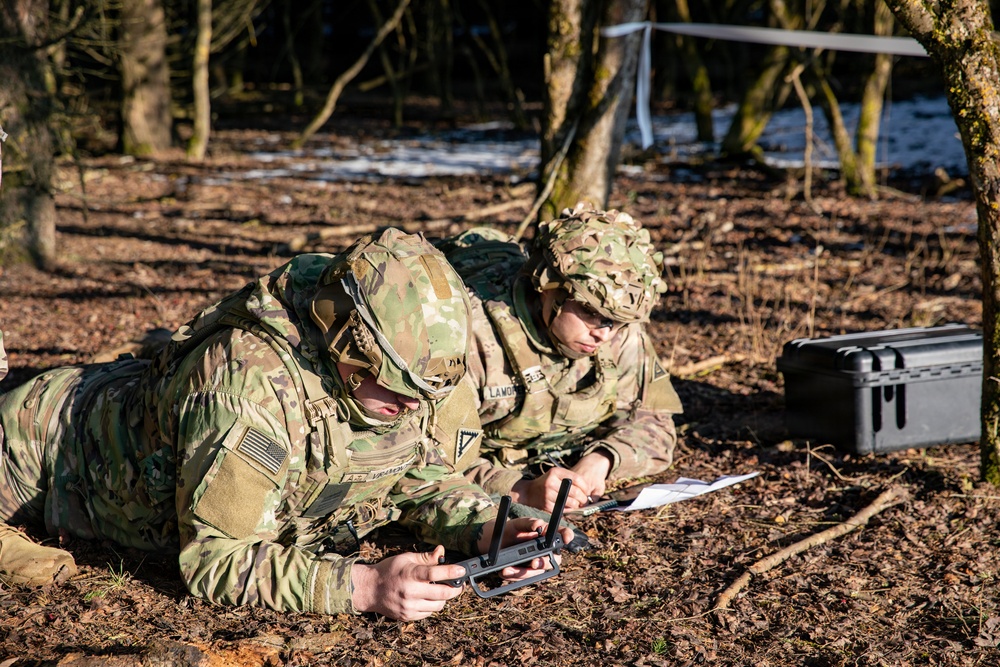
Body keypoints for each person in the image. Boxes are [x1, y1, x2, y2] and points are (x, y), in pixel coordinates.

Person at [0, 229, 569, 621]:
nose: (416, 407)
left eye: (426, 395)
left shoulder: (412, 372)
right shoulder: (249, 384)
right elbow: (216, 560)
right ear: (349, 345)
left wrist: (487, 529)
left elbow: (416, 474)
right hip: (40, 442)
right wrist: (363, 587)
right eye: (400, 390)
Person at [438, 206, 683, 515]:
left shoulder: (619, 328)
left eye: (617, 323)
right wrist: (519, 489)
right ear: (547, 287)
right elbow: (427, 461)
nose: (604, 334)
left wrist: (603, 460)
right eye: (590, 313)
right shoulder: (471, 335)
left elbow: (656, 422)